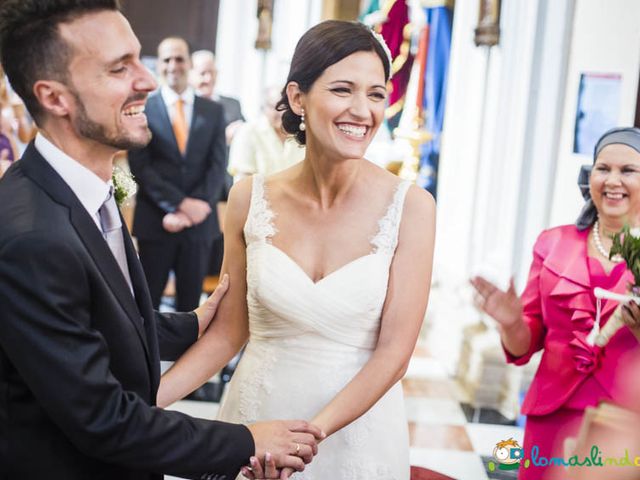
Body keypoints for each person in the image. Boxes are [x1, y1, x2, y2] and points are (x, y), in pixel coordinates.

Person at [0, 1, 323, 478]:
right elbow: (106, 420)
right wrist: (248, 440)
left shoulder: (78, 189)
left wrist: (188, 324)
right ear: (54, 97)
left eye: (139, 59)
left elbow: (93, 312)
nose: (148, 80)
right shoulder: (32, 237)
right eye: (119, 68)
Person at [158, 20, 436, 479]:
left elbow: (394, 355)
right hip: (257, 418)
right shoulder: (250, 197)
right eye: (343, 90)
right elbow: (228, 333)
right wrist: (140, 407)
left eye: (376, 94)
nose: (362, 111)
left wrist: (307, 439)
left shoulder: (412, 207)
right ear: (297, 97)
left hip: (353, 436)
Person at [471, 127, 640, 480]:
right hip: (551, 415)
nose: (612, 180)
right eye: (602, 168)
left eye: (628, 171)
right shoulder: (554, 243)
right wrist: (512, 323)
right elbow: (525, 344)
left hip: (625, 424)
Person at [128, 37, 228, 312]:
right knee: (147, 303)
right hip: (157, 220)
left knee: (190, 306)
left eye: (180, 59)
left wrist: (193, 210)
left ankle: (186, 355)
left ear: (189, 63)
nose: (174, 65)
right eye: (167, 59)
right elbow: (141, 166)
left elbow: (217, 166)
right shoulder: (144, 108)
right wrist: (179, 205)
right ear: (158, 65)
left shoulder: (214, 111)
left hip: (198, 226)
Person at [228, 85, 305, 182]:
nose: (282, 113)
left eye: (286, 107)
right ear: (264, 107)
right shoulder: (247, 132)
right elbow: (242, 182)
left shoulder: (302, 134)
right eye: (275, 107)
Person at [191, 50, 245, 145]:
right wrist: (223, 137)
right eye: (202, 73)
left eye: (212, 72)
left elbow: (247, 134)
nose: (208, 79)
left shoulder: (233, 105)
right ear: (191, 75)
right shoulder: (185, 105)